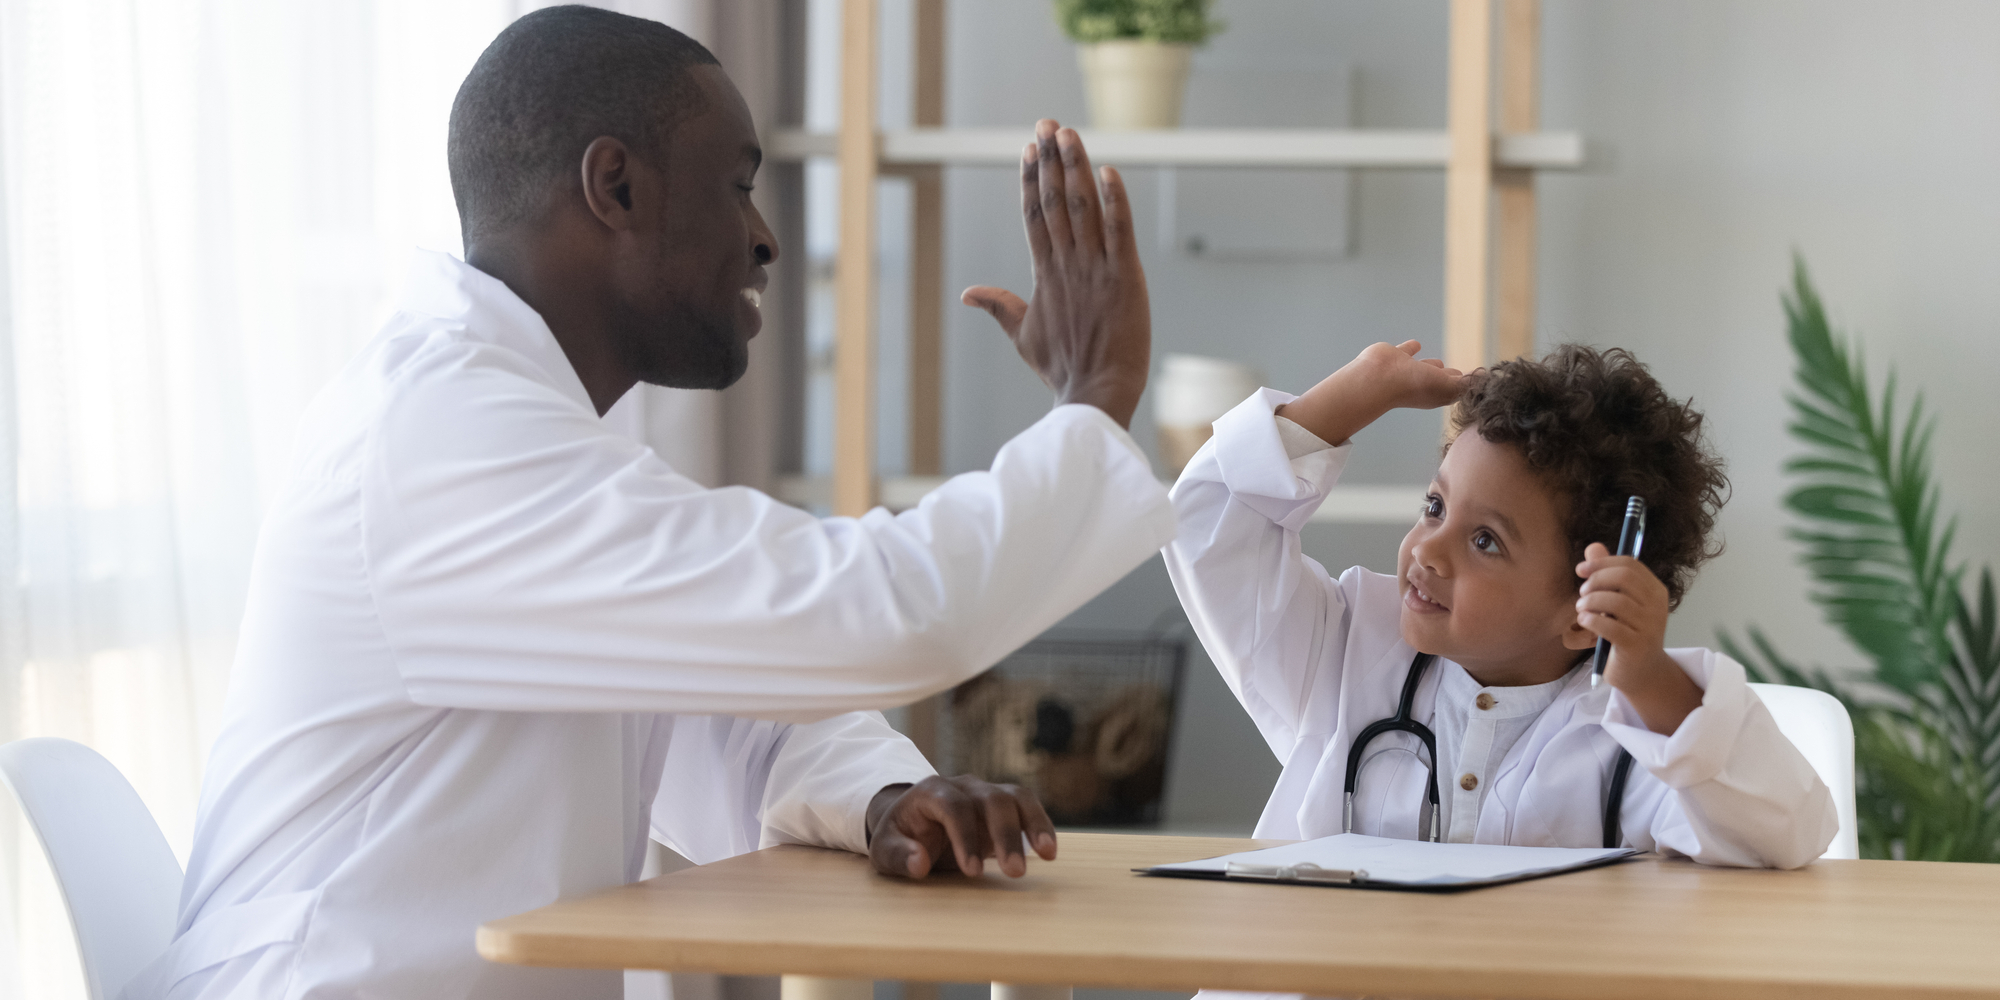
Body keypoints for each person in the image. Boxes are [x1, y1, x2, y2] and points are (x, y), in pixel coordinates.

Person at [129, 8, 1171, 1000]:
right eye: (736, 186)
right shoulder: (442, 437)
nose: (763, 240)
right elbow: (876, 608)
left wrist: (882, 800)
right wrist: (1093, 404)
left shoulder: (507, 432)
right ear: (614, 188)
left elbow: (711, 712)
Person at [1165, 340, 1838, 869]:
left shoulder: (1632, 735)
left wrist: (1655, 684)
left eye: (1485, 540)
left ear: (1582, 612)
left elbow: (1787, 833)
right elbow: (1204, 524)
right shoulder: (1340, 650)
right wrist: (1347, 398)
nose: (1428, 550)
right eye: (1434, 506)